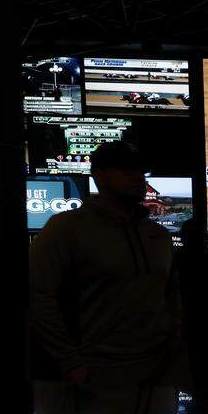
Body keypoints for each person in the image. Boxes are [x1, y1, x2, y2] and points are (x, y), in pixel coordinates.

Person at [30, 141, 187, 387]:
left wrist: (174, 344)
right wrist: (72, 366)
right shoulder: (66, 228)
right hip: (99, 372)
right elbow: (38, 298)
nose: (137, 178)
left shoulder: (158, 234)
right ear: (99, 176)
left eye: (140, 172)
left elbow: (171, 292)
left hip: (162, 371)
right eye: (126, 171)